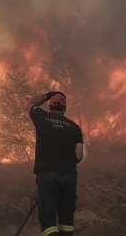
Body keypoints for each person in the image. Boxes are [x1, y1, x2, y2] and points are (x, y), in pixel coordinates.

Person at [27, 91, 84, 236]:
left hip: (47, 178)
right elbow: (79, 155)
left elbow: (30, 103)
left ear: (50, 106)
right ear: (64, 109)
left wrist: (48, 94)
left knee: (48, 224)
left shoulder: (41, 117)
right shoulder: (75, 127)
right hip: (68, 177)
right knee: (66, 224)